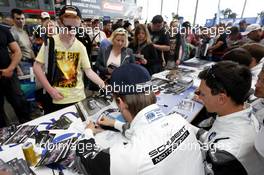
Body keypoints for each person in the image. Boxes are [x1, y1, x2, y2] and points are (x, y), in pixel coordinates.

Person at [76, 63, 205, 175]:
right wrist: (115, 123)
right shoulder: (179, 120)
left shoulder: (133, 157)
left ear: (120, 102)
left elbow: (87, 156)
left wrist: (88, 132)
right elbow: (145, 131)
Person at [33, 5, 105, 114]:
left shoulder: (80, 46)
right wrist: (50, 90)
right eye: (68, 27)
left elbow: (88, 71)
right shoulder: (50, 43)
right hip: (55, 98)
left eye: (76, 28)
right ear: (60, 24)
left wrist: (104, 86)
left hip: (78, 98)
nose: (72, 32)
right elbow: (37, 67)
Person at [196, 61, 264, 175]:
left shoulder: (224, 154)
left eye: (202, 94)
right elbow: (213, 137)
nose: (197, 95)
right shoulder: (247, 113)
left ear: (221, 99)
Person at [0, 25, 30, 127]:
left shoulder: (3, 30)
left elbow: (17, 51)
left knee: (20, 102)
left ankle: (28, 126)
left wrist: (11, 68)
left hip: (9, 74)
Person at [10, 8, 35, 75]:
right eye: (18, 19)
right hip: (22, 64)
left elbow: (29, 49)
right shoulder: (12, 33)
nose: (21, 21)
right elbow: (11, 53)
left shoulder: (24, 31)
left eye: (22, 18)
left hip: (30, 63)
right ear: (13, 20)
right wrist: (18, 69)